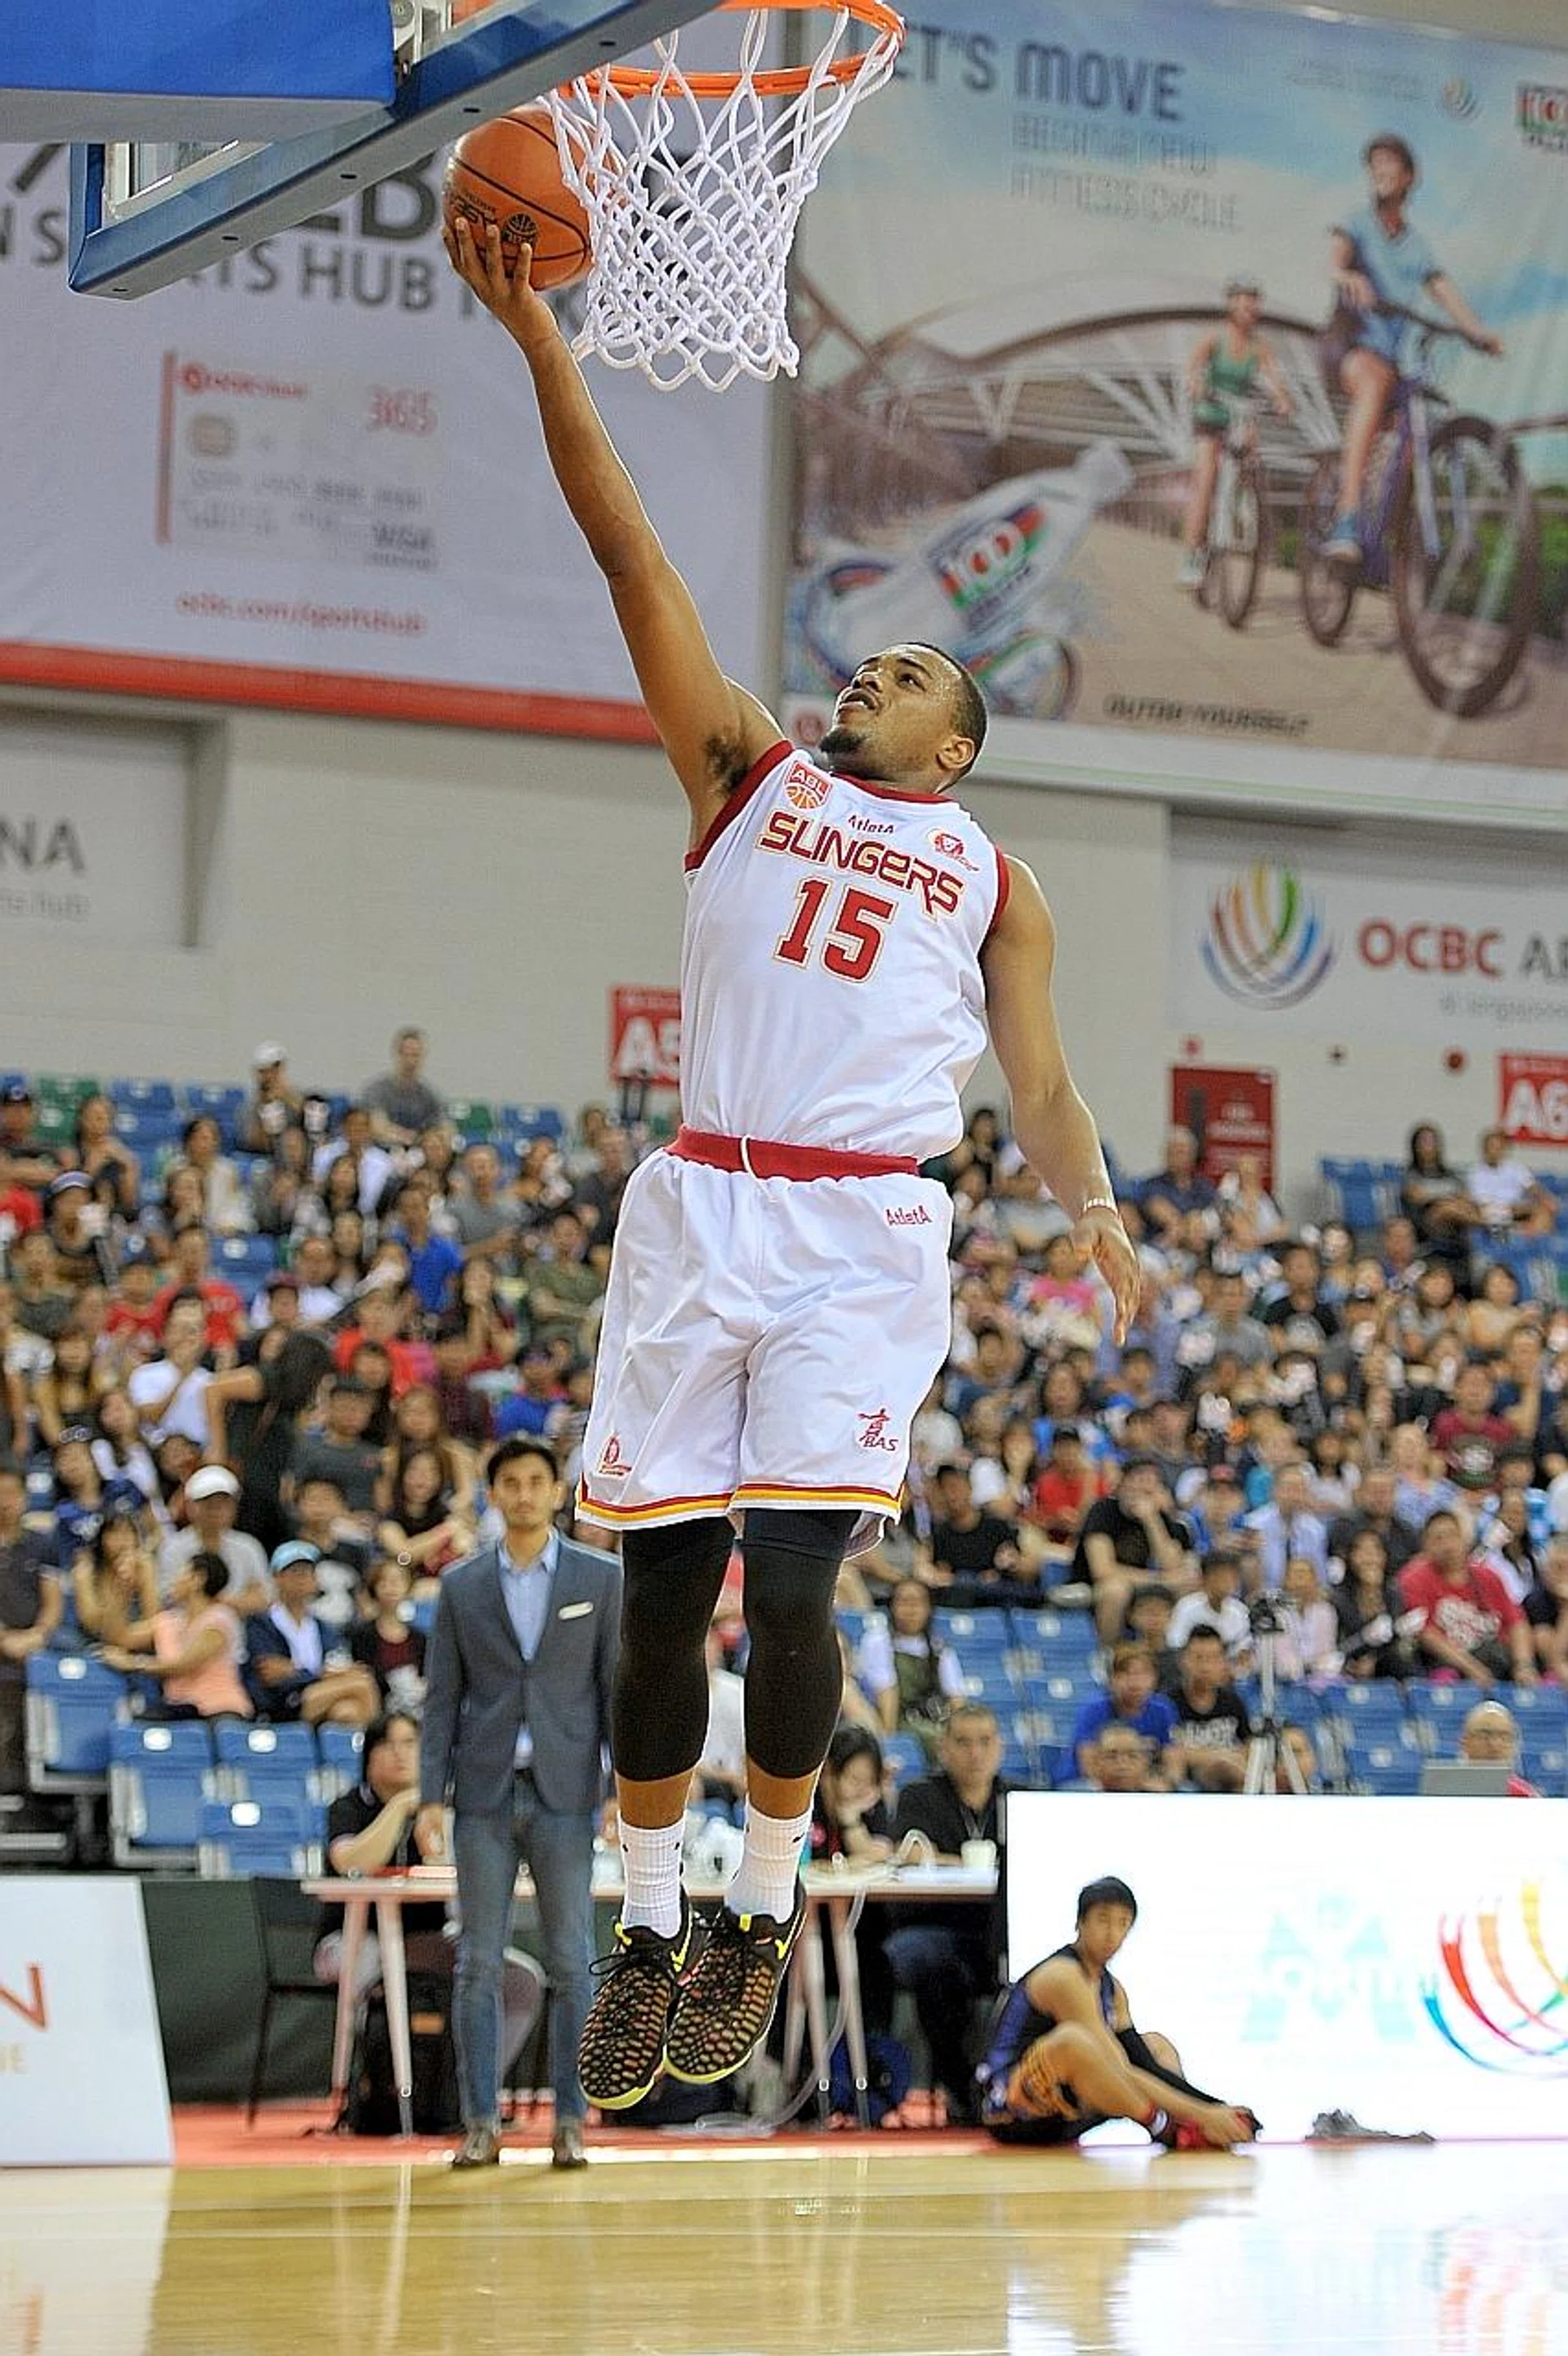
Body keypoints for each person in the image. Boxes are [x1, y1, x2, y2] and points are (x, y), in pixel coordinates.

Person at [443, 213, 1139, 2112]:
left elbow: (1045, 1080)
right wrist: (543, 348)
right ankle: (655, 1916)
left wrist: (1090, 1200)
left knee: (797, 1572)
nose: (875, 670)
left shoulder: (998, 876)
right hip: (701, 1202)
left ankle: (762, 1893)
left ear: (961, 744)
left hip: (863, 1226)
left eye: (914, 672)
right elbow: (629, 550)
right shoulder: (746, 767)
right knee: (663, 1601)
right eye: (873, 657)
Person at [416, 1436, 619, 2170]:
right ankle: (480, 2121)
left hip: (569, 1789)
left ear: (558, 1491)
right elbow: (442, 1699)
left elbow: (613, 1694)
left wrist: (622, 1789)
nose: (526, 1493)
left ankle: (571, 2118)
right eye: (512, 1482)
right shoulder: (463, 1585)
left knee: (572, 1959)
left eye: (538, 1481)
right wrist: (427, 1795)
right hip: (483, 1790)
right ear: (493, 1493)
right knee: (477, 1959)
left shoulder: (601, 1578)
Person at [314, 1708, 546, 2065]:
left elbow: (460, 1868)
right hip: (353, 1940)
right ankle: (371, 2081)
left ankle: (466, 2090)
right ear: (369, 1755)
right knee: (371, 1964)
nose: (400, 1753)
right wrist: (399, 1806)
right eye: (388, 1745)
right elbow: (351, 1863)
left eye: (410, 1743)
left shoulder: (441, 1810)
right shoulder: (348, 1807)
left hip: (427, 1940)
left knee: (520, 1979)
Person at [1321, 135, 1501, 569]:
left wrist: (1478, 333)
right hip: (1347, 345)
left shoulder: (1418, 245)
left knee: (1418, 421)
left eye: (1389, 163)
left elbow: (1443, 290)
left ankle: (1386, 528)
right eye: (1374, 164)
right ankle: (1346, 519)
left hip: (1388, 358)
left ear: (1409, 178)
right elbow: (1334, 260)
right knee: (1377, 384)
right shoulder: (1358, 223)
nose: (1379, 170)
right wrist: (1346, 276)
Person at [978, 1877, 1258, 2149]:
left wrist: (1215, 2106)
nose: (1112, 1934)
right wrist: (1205, 2112)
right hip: (1013, 2110)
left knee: (1156, 2045)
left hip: (1069, 2109)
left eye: (1122, 1923)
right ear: (1080, 1923)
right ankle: (1166, 2128)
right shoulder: (1062, 1976)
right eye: (1103, 1920)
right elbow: (1118, 2067)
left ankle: (1184, 2125)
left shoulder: (1113, 1989)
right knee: (1075, 2041)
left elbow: (1142, 2061)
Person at [885, 1704, 1011, 2124]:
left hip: (1000, 1932)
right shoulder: (920, 1796)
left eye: (984, 1741)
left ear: (1000, 1747)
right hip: (936, 1924)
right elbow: (910, 1854)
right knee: (927, 1961)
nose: (975, 1752)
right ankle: (961, 2089)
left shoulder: (1018, 1798)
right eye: (963, 1742)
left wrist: (946, 1860)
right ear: (943, 1748)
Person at [1177, 278, 1293, 587]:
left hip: (1238, 415)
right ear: (1231, 305)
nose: (1248, 308)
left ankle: (1244, 495)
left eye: (1253, 303)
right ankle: (1192, 555)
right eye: (1242, 302)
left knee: (1250, 450)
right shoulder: (1215, 338)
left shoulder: (1261, 346)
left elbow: (1274, 378)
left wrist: (1282, 399)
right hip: (1210, 413)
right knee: (1205, 478)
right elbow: (1192, 366)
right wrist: (1195, 382)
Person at [97, 1550, 252, 1721]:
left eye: (182, 1573)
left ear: (197, 1579)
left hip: (220, 1711)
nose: (174, 1581)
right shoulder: (170, 1620)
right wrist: (121, 1591)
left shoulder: (221, 1618)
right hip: (178, 1710)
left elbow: (184, 1665)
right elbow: (120, 1638)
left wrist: (133, 1663)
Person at [1397, 1508, 1536, 1688]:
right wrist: (1471, 1668)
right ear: (1426, 1545)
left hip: (1496, 1661)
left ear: (1464, 1540)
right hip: (1444, 1665)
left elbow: (1517, 1622)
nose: (1447, 1545)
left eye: (1452, 1536)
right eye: (1438, 1539)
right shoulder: (1413, 1578)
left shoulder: (1488, 1576)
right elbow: (1426, 1634)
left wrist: (1524, 1665)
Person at [1071, 1456, 1198, 1646]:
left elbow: (1172, 1565)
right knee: (1115, 1590)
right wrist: (1160, 1580)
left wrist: (1152, 1520)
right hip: (1097, 1587)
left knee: (1188, 1585)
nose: (1144, 1488)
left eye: (1152, 1482)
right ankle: (1108, 1653)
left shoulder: (1161, 1517)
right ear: (1122, 1483)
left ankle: (1172, 1649)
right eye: (1139, 1479)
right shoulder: (1103, 1511)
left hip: (1144, 1585)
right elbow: (1103, 1571)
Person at [0, 1457, 60, 1798]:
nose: (5, 1500)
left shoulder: (42, 1544)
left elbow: (52, 1602)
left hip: (33, 1649)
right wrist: (5, 1639)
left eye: (12, 1492)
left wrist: (38, 1635)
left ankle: (35, 1801)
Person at [857, 1575, 967, 1760]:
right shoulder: (878, 1641)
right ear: (892, 1606)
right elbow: (886, 1692)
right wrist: (889, 1745)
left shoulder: (939, 1648)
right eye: (905, 1602)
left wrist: (960, 1734)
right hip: (901, 1719)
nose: (911, 1610)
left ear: (928, 1609)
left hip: (934, 1718)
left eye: (917, 1603)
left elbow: (956, 1698)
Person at [1069, 1642, 1178, 1785]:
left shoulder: (1163, 1709)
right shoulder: (1094, 1710)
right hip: (1095, 1783)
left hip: (1145, 1782)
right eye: (1126, 1674)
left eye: (1143, 1674)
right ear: (1112, 1679)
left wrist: (1168, 1783)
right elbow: (1088, 1764)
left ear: (1155, 1678)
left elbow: (1174, 1758)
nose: (1135, 1682)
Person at [1164, 1627, 1252, 1792]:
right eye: (1198, 1658)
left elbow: (1247, 1746)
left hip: (1231, 1780)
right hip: (1186, 1783)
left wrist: (1198, 1755)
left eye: (1213, 1658)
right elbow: (1171, 1753)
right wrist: (1220, 1756)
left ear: (1223, 1662)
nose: (1205, 1667)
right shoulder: (1167, 1703)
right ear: (1183, 1660)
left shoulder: (1233, 1702)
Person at [363, 1028, 447, 1151]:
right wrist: (413, 1138)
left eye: (415, 1055)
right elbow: (378, 1128)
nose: (410, 1061)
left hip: (419, 1153)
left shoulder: (429, 1095)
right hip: (382, 1152)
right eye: (406, 1055)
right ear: (397, 1055)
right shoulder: (377, 1091)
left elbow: (444, 1128)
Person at [1457, 1698, 1540, 1797]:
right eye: (1485, 1735)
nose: (1494, 1744)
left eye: (1503, 1736)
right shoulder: (1444, 1792)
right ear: (1465, 1742)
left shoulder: (1526, 1797)